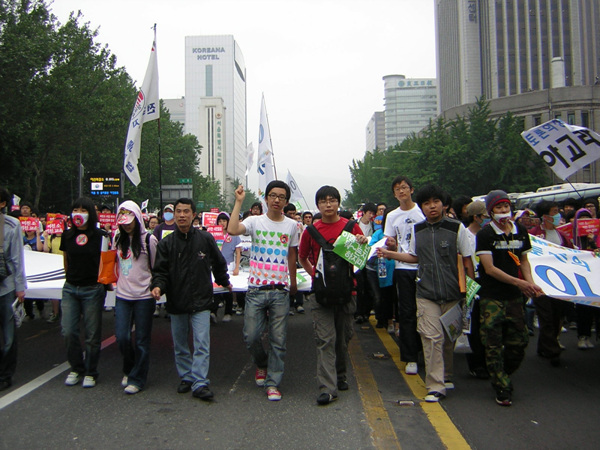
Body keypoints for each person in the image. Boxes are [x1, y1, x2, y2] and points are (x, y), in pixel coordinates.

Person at [379, 185, 474, 402]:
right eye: (427, 203)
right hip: (426, 292)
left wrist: (469, 290)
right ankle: (435, 385)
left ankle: (446, 375)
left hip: (452, 292)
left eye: (436, 202)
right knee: (431, 337)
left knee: (448, 337)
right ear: (422, 207)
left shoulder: (457, 228)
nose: (432, 206)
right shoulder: (418, 230)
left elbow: (467, 260)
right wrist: (390, 254)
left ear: (444, 204)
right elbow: (414, 257)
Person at [151, 198, 231, 401]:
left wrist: (224, 281)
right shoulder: (167, 243)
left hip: (201, 300)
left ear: (194, 215)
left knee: (202, 342)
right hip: (176, 300)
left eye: (186, 211)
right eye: (178, 211)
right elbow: (160, 271)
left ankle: (200, 382)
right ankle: (186, 377)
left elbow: (218, 263)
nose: (181, 215)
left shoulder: (205, 239)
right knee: (180, 344)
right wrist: (158, 286)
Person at [228, 181, 299, 402]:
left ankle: (273, 383)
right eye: (273, 195)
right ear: (266, 198)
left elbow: (292, 255)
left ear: (286, 201)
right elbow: (232, 230)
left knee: (279, 339)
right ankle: (262, 362)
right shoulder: (254, 221)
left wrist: (293, 282)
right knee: (251, 336)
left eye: (281, 197)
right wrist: (238, 202)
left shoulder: (292, 226)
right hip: (256, 290)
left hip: (280, 291)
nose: (276, 200)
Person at [299, 185, 367, 405]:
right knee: (325, 339)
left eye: (332, 200)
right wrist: (315, 275)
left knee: (344, 336)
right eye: (323, 201)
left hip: (348, 291)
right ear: (317, 205)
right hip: (321, 294)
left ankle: (340, 374)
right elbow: (302, 257)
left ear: (338, 203)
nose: (328, 205)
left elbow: (360, 261)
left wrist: (362, 243)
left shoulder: (351, 227)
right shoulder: (310, 231)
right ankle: (327, 388)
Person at [476, 190, 543, 406]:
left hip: (515, 298)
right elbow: (489, 269)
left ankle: (502, 374)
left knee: (519, 342)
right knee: (493, 344)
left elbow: (524, 261)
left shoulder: (520, 231)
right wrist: (519, 283)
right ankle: (502, 387)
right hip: (492, 297)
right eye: (499, 207)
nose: (503, 211)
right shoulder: (485, 235)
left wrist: (530, 283)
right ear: (491, 211)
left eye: (506, 206)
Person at [60, 197, 108, 388]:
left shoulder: (101, 236)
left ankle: (91, 371)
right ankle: (76, 368)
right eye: (75, 210)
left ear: (91, 214)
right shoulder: (67, 235)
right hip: (71, 288)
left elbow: (105, 262)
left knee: (92, 334)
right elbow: (66, 260)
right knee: (68, 331)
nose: (78, 213)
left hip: (92, 289)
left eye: (83, 210)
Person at [114, 201, 158, 394]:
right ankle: (129, 368)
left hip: (144, 297)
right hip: (123, 295)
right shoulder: (117, 238)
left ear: (138, 218)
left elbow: (155, 266)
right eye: (123, 222)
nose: (126, 225)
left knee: (141, 339)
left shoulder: (149, 240)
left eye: (130, 221)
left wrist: (155, 287)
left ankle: (138, 379)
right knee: (122, 336)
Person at [383, 176, 425, 375]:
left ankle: (426, 351)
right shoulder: (392, 216)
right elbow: (390, 242)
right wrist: (391, 245)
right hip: (402, 267)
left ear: (411, 190)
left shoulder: (422, 212)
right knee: (406, 312)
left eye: (404, 187)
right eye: (397, 189)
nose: (401, 191)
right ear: (394, 194)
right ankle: (410, 357)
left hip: (424, 267)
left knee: (425, 311)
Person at [529, 200, 573, 367]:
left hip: (560, 283)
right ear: (545, 216)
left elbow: (572, 253)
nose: (558, 215)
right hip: (540, 283)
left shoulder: (561, 235)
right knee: (546, 316)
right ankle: (553, 351)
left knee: (556, 316)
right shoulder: (534, 235)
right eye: (554, 212)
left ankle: (544, 345)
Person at [0, 187, 26, 391]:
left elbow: (17, 257)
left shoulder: (11, 224)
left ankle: (6, 374)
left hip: (6, 286)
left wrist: (20, 287)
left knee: (8, 336)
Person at [463, 201, 490, 379]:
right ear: (476, 217)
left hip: (489, 280)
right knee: (473, 324)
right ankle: (476, 363)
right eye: (485, 216)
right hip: (471, 282)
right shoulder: (464, 235)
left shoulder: (488, 234)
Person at [571, 208, 599, 350]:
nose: (584, 222)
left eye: (587, 219)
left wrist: (593, 243)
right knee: (583, 308)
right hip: (581, 278)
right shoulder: (572, 238)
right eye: (581, 220)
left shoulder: (597, 236)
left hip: (596, 276)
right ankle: (583, 336)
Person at [213, 212, 241, 323]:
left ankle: (228, 312)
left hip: (229, 265)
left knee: (228, 289)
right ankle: (213, 312)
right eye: (220, 221)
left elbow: (238, 252)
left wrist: (237, 267)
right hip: (215, 265)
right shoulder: (214, 235)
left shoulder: (233, 234)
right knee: (215, 288)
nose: (222, 223)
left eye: (224, 221)